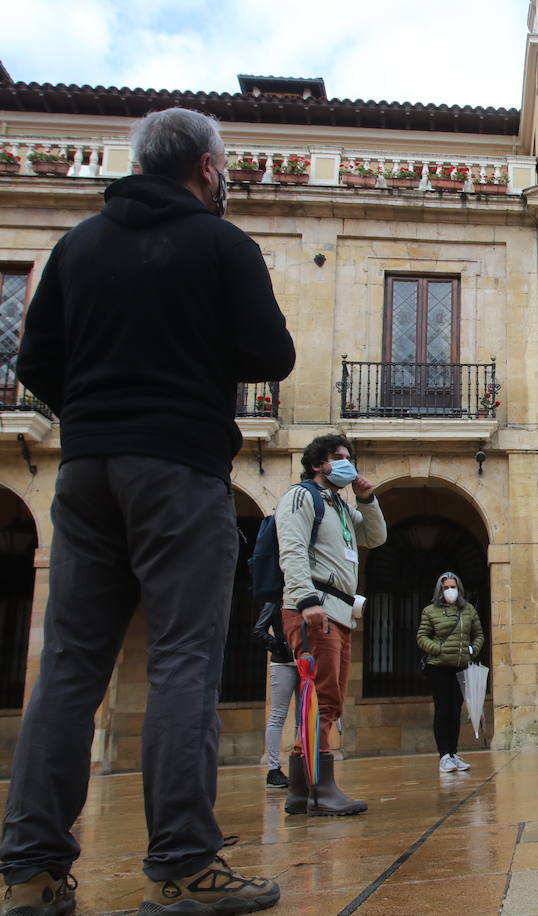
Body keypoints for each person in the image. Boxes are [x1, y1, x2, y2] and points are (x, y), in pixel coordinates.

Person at [0, 107, 294, 916]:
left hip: (87, 473)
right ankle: (183, 867)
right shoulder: (221, 244)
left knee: (67, 667)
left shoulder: (76, 246)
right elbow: (273, 355)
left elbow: (35, 360)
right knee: (183, 661)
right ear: (206, 169)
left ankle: (30, 871)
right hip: (179, 470)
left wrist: (95, 415)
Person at [277, 434, 387, 817]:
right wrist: (305, 601)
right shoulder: (301, 497)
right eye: (337, 458)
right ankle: (319, 789)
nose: (346, 463)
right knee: (322, 700)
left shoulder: (339, 506)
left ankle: (302, 790)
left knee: (330, 701)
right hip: (314, 609)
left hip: (337, 613)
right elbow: (290, 549)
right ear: (317, 464)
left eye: (349, 458)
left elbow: (375, 536)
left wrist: (367, 499)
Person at [416, 572, 484, 773]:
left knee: (456, 711)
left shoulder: (468, 610)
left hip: (460, 665)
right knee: (443, 710)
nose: (450, 590)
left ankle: (453, 753)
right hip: (438, 666)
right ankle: (444, 755)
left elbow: (478, 633)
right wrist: (438, 649)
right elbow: (422, 636)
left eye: (453, 587)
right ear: (440, 590)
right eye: (446, 587)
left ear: (459, 589)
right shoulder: (430, 611)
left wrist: (473, 649)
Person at [253, 603, 299, 787]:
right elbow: (258, 630)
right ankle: (273, 770)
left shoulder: (306, 598)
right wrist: (277, 645)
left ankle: (301, 765)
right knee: (278, 716)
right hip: (282, 664)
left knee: (303, 717)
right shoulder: (273, 603)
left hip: (305, 663)